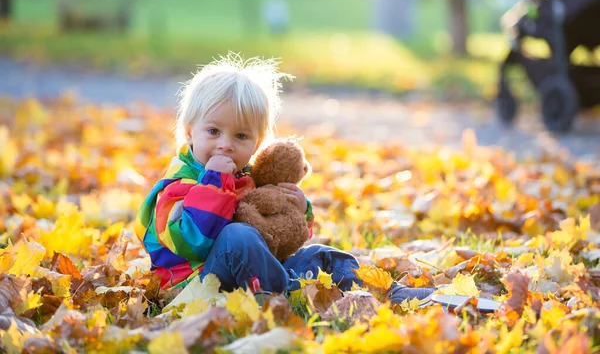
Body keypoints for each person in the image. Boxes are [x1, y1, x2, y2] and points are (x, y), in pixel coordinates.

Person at [135, 53, 434, 303]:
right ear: (190, 131)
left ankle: (383, 292)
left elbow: (283, 236)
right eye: (213, 131)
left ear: (256, 142)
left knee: (319, 256)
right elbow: (191, 242)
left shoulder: (247, 178)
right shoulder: (177, 186)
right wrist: (214, 183)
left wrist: (298, 207)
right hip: (193, 288)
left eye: (240, 136)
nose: (225, 144)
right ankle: (288, 297)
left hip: (250, 276)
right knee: (236, 237)